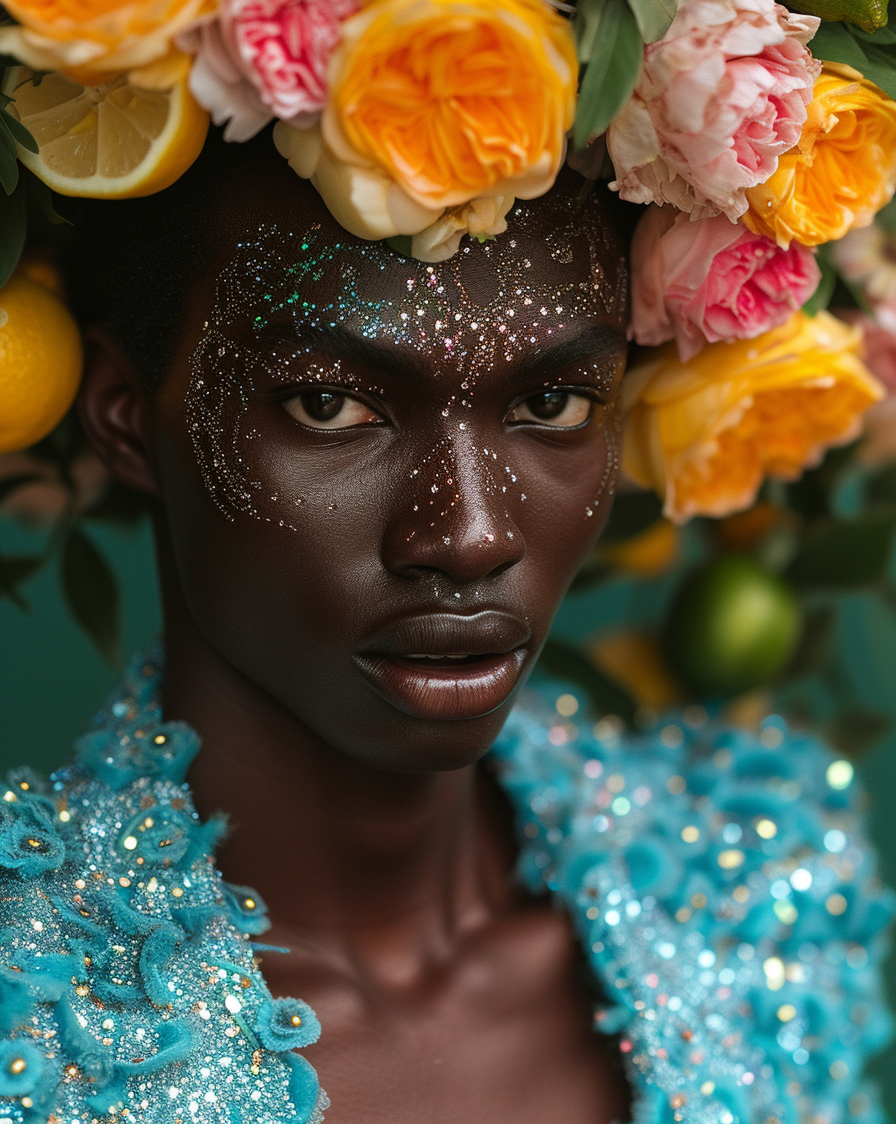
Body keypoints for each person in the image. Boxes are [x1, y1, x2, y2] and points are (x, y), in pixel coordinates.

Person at [0, 131, 892, 1124]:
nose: (467, 535)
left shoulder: (763, 899)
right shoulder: (22, 1031)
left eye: (550, 401)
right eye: (330, 405)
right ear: (126, 416)